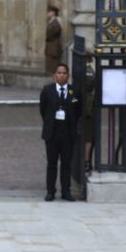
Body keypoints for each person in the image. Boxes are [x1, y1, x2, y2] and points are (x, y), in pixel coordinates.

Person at [39, 63, 82, 202]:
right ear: (54, 75)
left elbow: (78, 111)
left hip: (68, 134)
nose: (61, 75)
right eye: (59, 72)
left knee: (66, 164)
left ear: (68, 75)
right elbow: (43, 110)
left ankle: (66, 191)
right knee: (51, 163)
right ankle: (50, 191)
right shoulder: (47, 90)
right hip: (52, 134)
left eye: (64, 73)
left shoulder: (74, 91)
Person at [44, 5, 62, 75]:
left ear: (53, 13)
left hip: (53, 48)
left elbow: (53, 34)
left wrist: (48, 37)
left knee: (53, 68)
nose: (47, 14)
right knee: (50, 68)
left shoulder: (55, 23)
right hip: (51, 48)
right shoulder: (51, 22)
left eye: (49, 12)